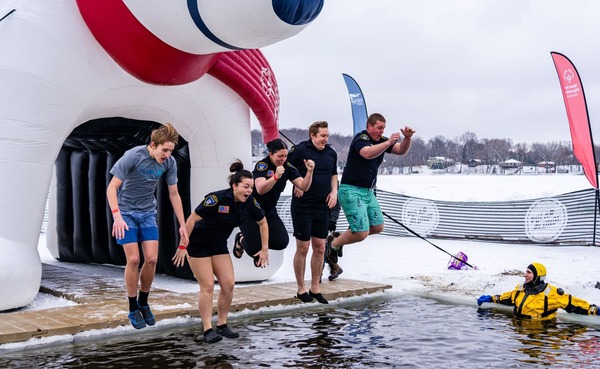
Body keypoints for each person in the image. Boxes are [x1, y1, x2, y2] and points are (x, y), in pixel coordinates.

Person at [172, 160, 268, 343]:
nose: (249, 191)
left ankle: (222, 324)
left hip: (218, 245)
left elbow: (263, 223)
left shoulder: (250, 203)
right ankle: (207, 328)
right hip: (198, 244)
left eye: (251, 187)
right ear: (234, 185)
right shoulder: (216, 199)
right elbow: (191, 220)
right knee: (207, 286)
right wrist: (183, 246)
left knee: (229, 284)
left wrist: (264, 249)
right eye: (246, 187)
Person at [106, 123, 189, 329]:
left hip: (147, 214)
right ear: (153, 145)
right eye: (165, 150)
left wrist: (183, 225)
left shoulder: (169, 163)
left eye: (171, 150)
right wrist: (117, 216)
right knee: (134, 259)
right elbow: (112, 188)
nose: (168, 155)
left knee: (151, 259)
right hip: (125, 214)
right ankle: (133, 306)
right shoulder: (133, 155)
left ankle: (144, 302)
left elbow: (173, 194)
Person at [325, 113, 415, 280]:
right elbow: (367, 153)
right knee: (361, 233)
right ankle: (333, 244)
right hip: (351, 189)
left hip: (367, 191)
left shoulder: (382, 141)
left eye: (384, 129)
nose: (381, 132)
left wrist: (407, 138)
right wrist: (388, 142)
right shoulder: (361, 138)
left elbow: (401, 150)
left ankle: (337, 239)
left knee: (377, 226)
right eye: (379, 128)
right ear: (369, 126)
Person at [233, 138, 315, 267]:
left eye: (286, 156)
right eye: (280, 156)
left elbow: (303, 186)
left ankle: (251, 239)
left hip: (269, 209)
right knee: (255, 250)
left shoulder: (287, 166)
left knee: (281, 242)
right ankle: (242, 239)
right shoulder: (262, 165)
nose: (283, 159)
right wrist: (275, 177)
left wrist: (309, 172)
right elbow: (260, 189)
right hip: (251, 209)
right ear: (270, 154)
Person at [287, 121, 338, 304]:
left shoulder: (331, 153)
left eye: (327, 135)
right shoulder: (300, 151)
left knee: (320, 247)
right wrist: (297, 183)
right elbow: (286, 167)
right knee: (303, 247)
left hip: (322, 206)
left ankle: (315, 287)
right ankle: (301, 289)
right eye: (323, 136)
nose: (326, 139)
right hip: (303, 205)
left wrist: (334, 192)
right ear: (312, 135)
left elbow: (333, 175)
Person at [477, 262, 600, 319]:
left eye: (529, 272)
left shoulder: (551, 293)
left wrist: (593, 309)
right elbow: (508, 297)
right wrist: (491, 298)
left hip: (541, 332)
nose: (525, 275)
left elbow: (573, 303)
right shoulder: (521, 289)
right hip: (519, 329)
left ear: (537, 276)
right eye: (526, 272)